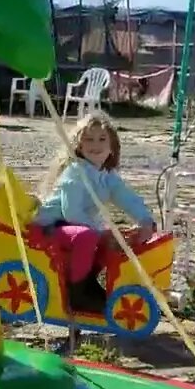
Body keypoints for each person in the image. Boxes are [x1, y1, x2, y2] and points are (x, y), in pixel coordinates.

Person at [32, 112, 157, 312]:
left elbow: (128, 198)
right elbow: (71, 212)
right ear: (79, 146)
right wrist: (100, 233)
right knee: (88, 237)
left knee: (112, 238)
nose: (95, 145)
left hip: (75, 226)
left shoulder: (107, 177)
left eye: (101, 139)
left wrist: (145, 220)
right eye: (88, 139)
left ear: (112, 147)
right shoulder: (75, 171)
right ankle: (77, 293)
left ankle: (88, 282)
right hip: (53, 225)